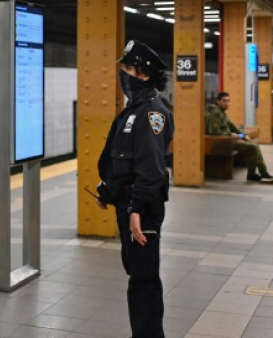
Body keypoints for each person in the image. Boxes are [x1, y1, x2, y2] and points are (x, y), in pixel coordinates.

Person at [93, 39, 174, 338]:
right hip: (129, 203)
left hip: (143, 209)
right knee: (137, 275)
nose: (122, 74)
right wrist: (110, 190)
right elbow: (125, 160)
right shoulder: (133, 110)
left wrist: (136, 209)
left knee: (144, 280)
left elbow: (151, 170)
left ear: (143, 74)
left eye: (127, 68)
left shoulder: (152, 113)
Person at [205, 93, 273, 184]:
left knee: (253, 145)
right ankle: (259, 174)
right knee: (253, 147)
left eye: (228, 101)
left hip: (226, 139)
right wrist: (232, 135)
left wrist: (243, 136)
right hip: (221, 141)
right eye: (224, 101)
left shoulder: (222, 112)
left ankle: (257, 174)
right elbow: (215, 131)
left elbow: (232, 126)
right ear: (218, 101)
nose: (227, 103)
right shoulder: (215, 112)